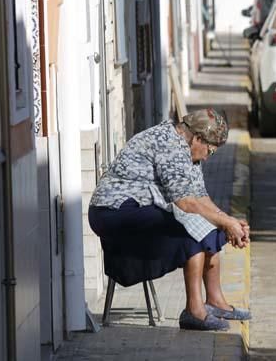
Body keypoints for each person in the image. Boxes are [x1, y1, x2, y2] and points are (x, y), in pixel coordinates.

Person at [88, 108, 251, 331]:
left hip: (140, 207)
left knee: (211, 227)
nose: (207, 157)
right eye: (209, 151)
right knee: (190, 231)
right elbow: (185, 202)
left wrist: (227, 220)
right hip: (114, 211)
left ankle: (215, 301)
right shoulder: (169, 145)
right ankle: (193, 311)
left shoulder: (189, 151)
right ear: (198, 138)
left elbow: (200, 197)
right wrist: (226, 222)